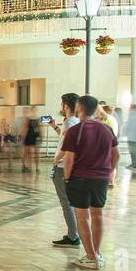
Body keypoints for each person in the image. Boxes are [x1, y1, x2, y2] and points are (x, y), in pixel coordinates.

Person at [60, 95, 119, 270]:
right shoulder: (107, 130)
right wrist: (109, 172)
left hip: (80, 178)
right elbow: (116, 154)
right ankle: (97, 253)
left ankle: (91, 256)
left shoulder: (75, 131)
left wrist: (67, 177)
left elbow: (69, 159)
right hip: (100, 179)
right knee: (97, 216)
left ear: (79, 108)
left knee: (82, 218)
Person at [47, 93, 82, 248]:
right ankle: (74, 233)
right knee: (69, 202)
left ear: (66, 106)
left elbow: (68, 146)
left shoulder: (69, 124)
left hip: (62, 167)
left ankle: (73, 235)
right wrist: (55, 126)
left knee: (66, 203)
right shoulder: (74, 122)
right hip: (69, 166)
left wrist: (56, 160)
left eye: (62, 103)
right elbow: (65, 139)